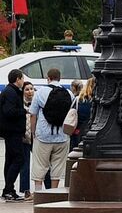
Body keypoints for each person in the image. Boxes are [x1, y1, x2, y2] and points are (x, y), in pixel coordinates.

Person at [28, 69, 71, 192]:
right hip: (62, 136)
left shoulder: (40, 92)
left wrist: (33, 132)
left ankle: (38, 193)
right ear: (59, 78)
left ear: (48, 78)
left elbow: (33, 114)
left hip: (43, 135)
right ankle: (53, 193)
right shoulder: (68, 93)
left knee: (40, 166)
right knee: (57, 167)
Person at [1, 70, 30, 200]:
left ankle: (8, 189)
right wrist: (23, 111)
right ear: (17, 79)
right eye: (22, 79)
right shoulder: (11, 93)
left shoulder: (9, 91)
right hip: (12, 131)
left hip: (10, 131)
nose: (23, 81)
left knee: (10, 159)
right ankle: (8, 188)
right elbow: (9, 111)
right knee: (19, 159)